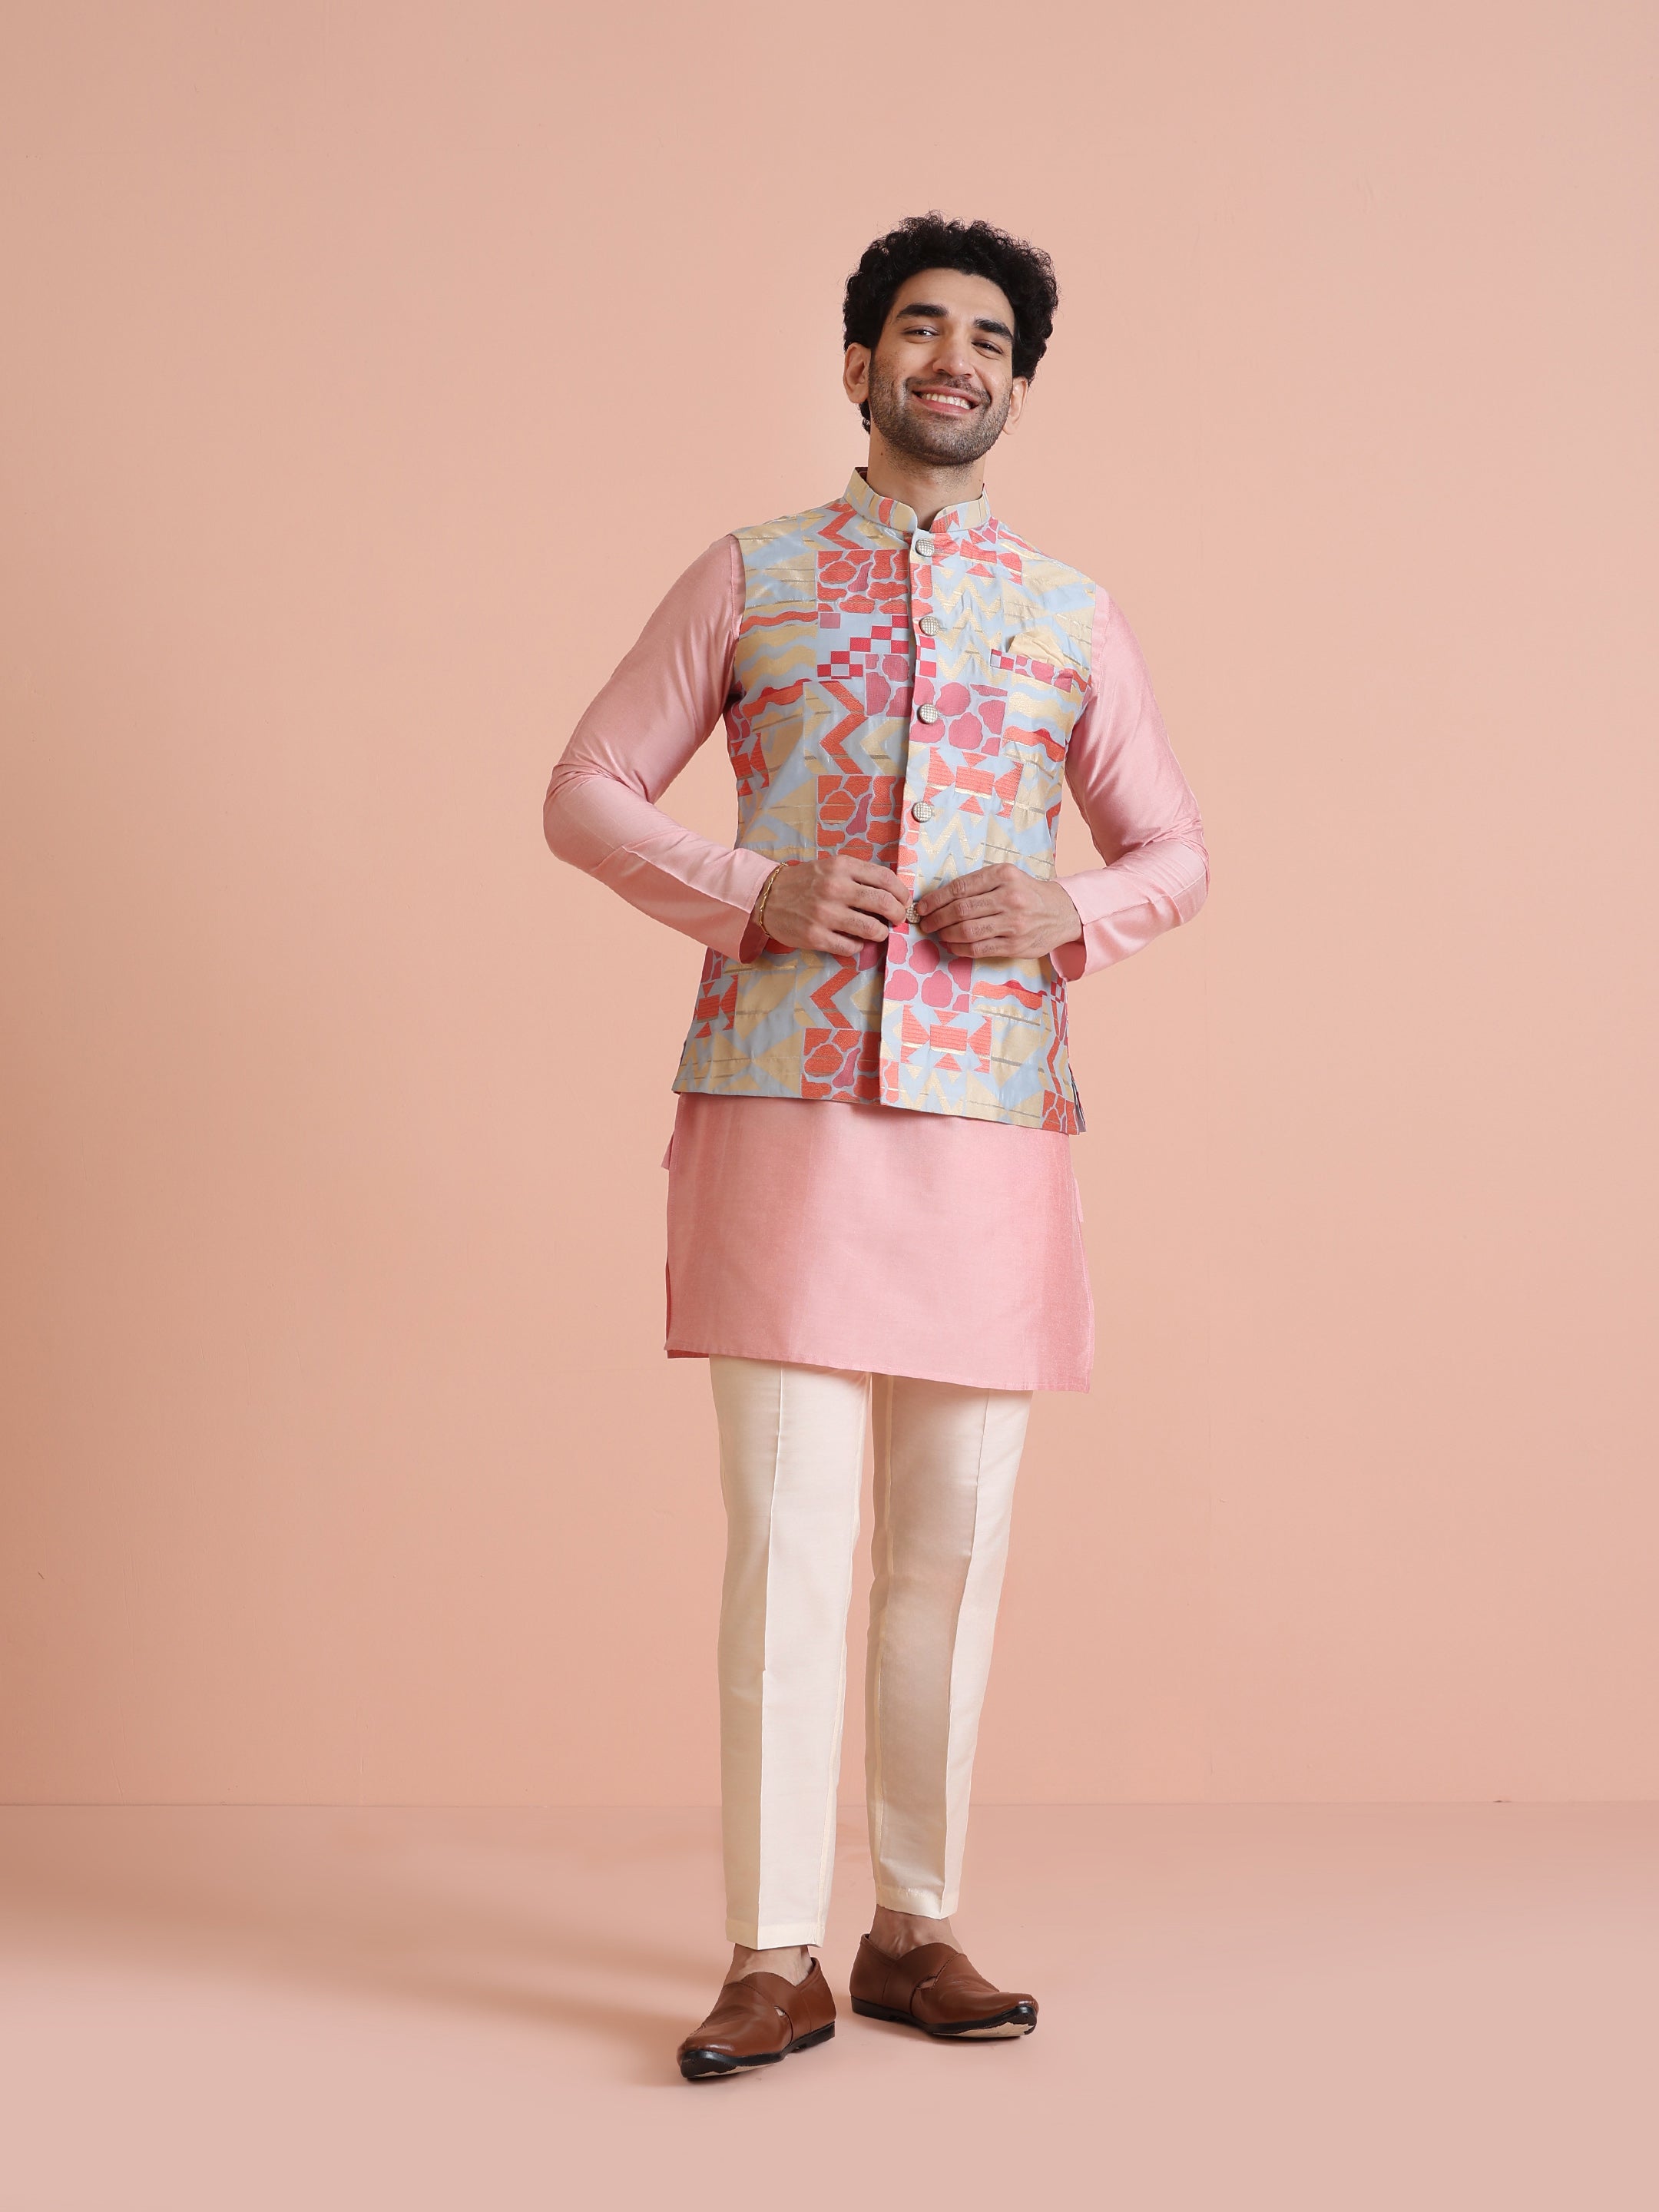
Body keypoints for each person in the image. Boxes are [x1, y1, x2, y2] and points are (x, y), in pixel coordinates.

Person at [541, 213, 1209, 2081]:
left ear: (1017, 387)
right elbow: (585, 791)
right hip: (784, 1107)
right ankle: (773, 1953)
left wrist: (1071, 910)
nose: (953, 361)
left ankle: (913, 1927)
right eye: (920, 329)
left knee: (952, 1547)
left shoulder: (1070, 614)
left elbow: (1175, 851)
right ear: (861, 366)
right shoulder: (750, 574)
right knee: (788, 1539)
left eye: (988, 340)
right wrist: (747, 885)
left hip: (990, 1123)